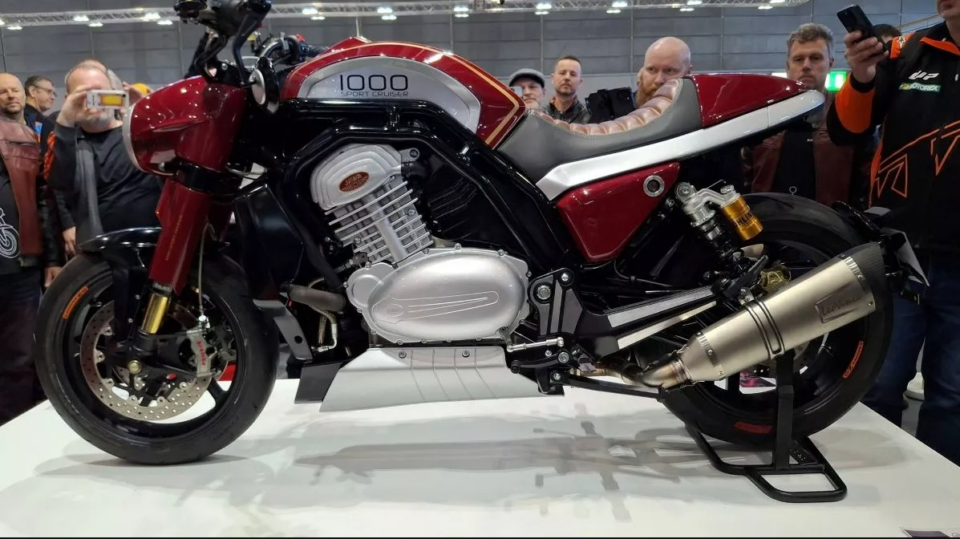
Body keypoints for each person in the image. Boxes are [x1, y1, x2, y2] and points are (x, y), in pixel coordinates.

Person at [827, 0, 960, 466]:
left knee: (953, 396)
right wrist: (862, 76)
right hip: (899, 256)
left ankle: (943, 494)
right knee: (877, 383)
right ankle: (875, 490)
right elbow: (847, 130)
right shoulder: (908, 51)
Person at [745, 23, 874, 209]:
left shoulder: (848, 113)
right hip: (767, 221)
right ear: (788, 66)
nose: (806, 66)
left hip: (829, 223)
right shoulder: (762, 116)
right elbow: (743, 177)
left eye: (815, 58)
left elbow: (865, 179)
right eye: (798, 59)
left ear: (830, 64)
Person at [0, 73, 63, 426]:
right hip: (20, 261)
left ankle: (14, 427)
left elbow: (43, 200)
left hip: (21, 264)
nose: (9, 95)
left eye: (14, 90)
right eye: (2, 91)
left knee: (21, 354)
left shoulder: (26, 138)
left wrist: (51, 258)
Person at [45, 62, 161, 244]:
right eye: (84, 94)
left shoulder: (138, 134)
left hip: (157, 241)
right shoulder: (68, 143)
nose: (95, 101)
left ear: (115, 94)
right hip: (100, 248)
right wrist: (65, 120)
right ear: (69, 100)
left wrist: (151, 117)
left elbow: (176, 166)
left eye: (101, 93)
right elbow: (57, 181)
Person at [635, 37, 692, 107]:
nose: (658, 80)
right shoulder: (624, 110)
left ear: (688, 72)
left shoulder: (700, 111)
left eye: (669, 70)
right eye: (651, 69)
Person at [541, 55, 589, 123]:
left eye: (573, 74)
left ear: (580, 82)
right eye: (562, 73)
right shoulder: (540, 116)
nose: (567, 77)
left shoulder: (589, 118)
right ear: (553, 79)